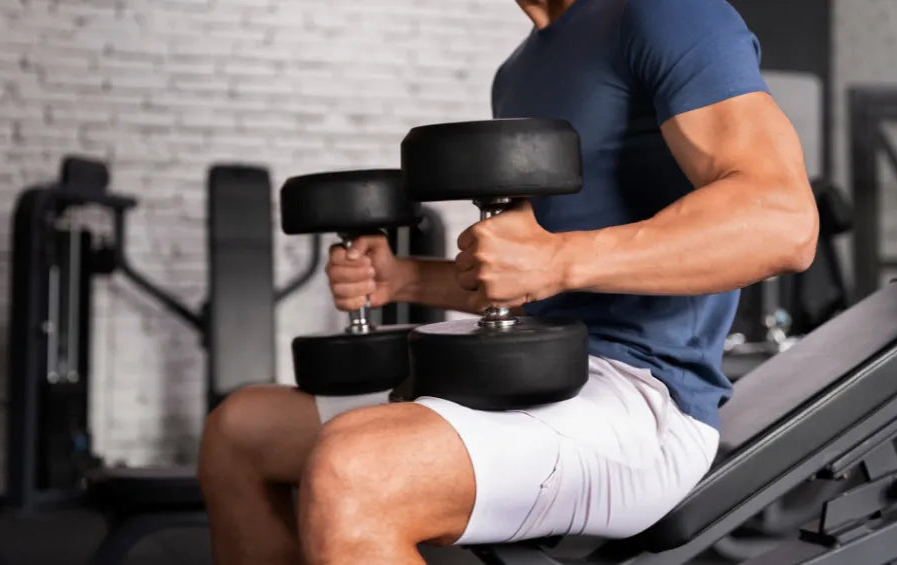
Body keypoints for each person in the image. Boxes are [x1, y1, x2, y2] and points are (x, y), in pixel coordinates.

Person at [197, 0, 818, 563]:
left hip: (646, 396)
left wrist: (558, 260)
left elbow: (784, 223)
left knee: (356, 467)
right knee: (240, 431)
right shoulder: (519, 69)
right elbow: (527, 271)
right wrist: (400, 277)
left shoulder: (666, 13)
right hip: (528, 362)